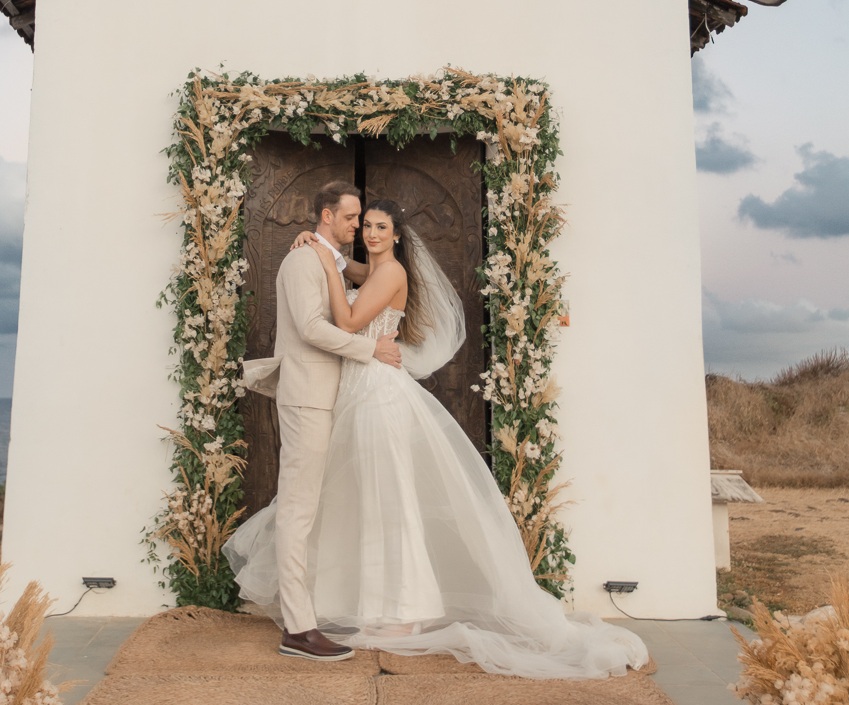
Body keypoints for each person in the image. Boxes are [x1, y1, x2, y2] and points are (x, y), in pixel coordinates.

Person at [226, 196, 649, 679]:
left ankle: (405, 610)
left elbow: (344, 321)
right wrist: (325, 252)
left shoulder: (389, 274)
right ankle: (371, 605)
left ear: (399, 235)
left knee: (392, 501)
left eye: (380, 226)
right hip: (357, 388)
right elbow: (354, 272)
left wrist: (325, 260)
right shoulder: (370, 269)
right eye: (364, 225)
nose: (370, 232)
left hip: (376, 393)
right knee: (365, 501)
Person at [254, 181, 404, 662]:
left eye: (363, 220)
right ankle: (298, 629)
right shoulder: (302, 260)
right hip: (307, 399)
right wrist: (371, 348)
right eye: (351, 218)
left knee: (311, 508)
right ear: (325, 215)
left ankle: (309, 613)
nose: (358, 227)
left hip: (330, 397)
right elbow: (311, 328)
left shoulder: (332, 259)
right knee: (298, 509)